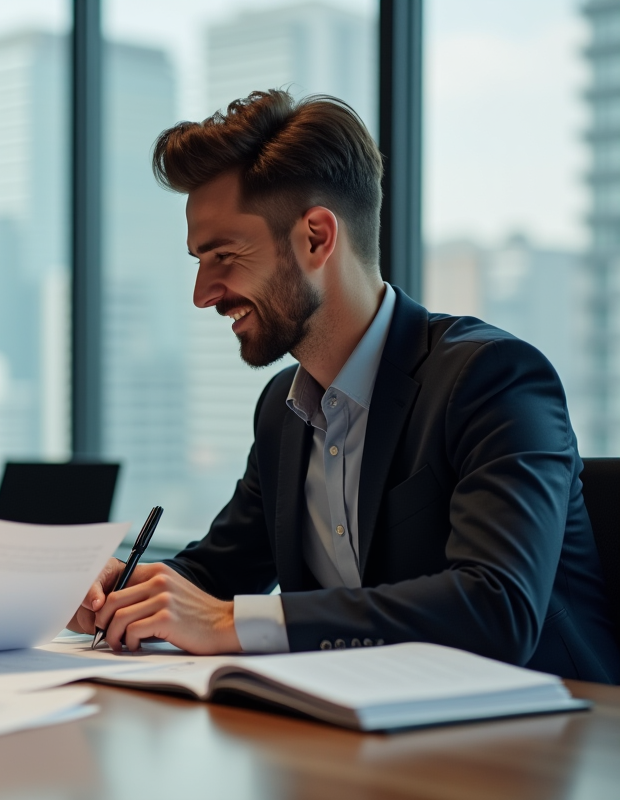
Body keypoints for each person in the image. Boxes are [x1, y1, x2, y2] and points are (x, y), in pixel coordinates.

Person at [69, 90, 620, 683]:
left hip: (546, 746)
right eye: (198, 262)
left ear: (315, 238)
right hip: (363, 732)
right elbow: (219, 577)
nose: (203, 293)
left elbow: (497, 610)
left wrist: (232, 623)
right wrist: (127, 589)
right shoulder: (283, 412)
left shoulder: (493, 379)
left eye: (223, 255)